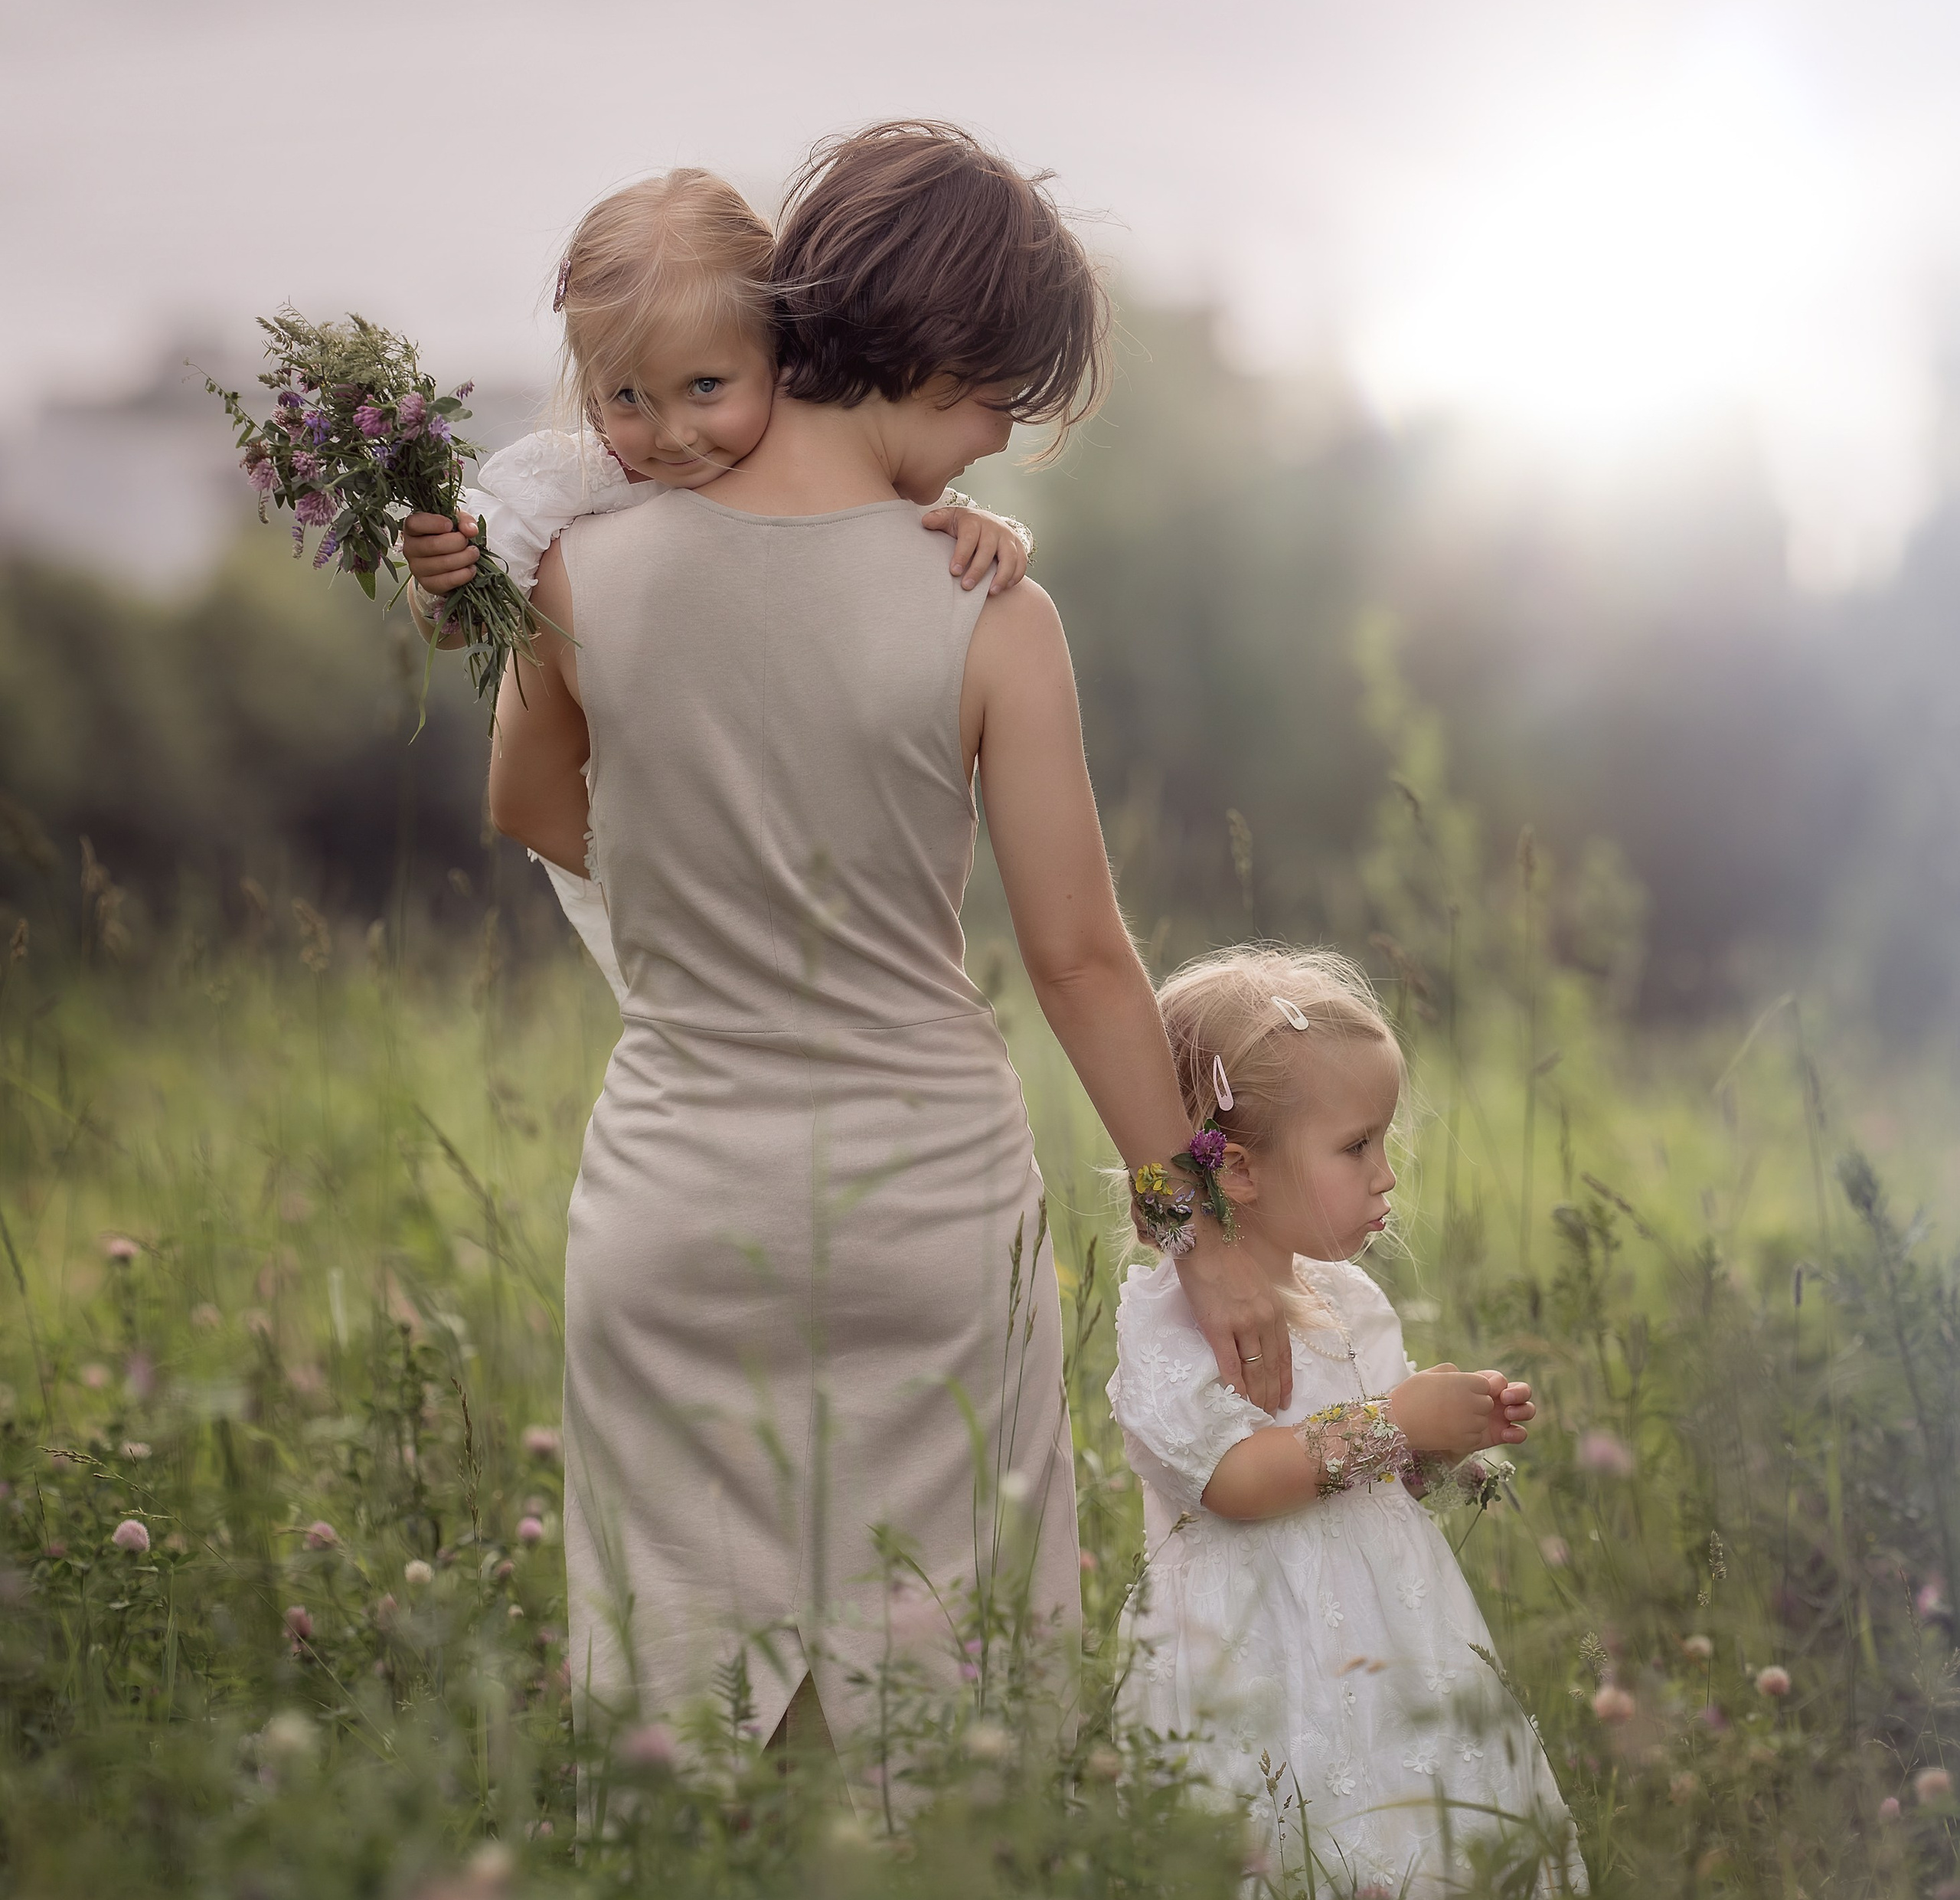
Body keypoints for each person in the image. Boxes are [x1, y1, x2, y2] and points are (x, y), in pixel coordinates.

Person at [479, 122, 1293, 1771]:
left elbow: (537, 814)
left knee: (676, 1717)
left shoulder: (577, 572)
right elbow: (1077, 960)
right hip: (925, 1211)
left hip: (672, 1202)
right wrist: (1197, 1227)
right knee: (945, 1742)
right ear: (938, 354)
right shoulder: (989, 607)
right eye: (1002, 400)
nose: (998, 445)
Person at [398, 168, 1032, 1003]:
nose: (671, 434)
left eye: (705, 387)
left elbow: (902, 508)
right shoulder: (574, 482)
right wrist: (437, 576)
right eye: (627, 397)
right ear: (590, 396)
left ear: (779, 354)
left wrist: (989, 526)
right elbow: (463, 614)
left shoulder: (804, 456)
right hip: (650, 828)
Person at [1108, 945, 1586, 1893]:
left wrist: (1442, 1443)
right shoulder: (1172, 1318)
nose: (1386, 1176)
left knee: (1412, 1830)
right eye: (1357, 1144)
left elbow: (1382, 1466)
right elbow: (1236, 1484)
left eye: (1384, 1141)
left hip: (1390, 1648)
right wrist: (1398, 1421)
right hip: (1251, 1658)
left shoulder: (1352, 1300)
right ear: (1237, 1169)